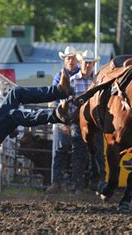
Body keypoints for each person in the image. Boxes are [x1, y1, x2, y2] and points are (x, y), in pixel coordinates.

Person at [58, 50, 105, 195]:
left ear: (93, 64)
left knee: (98, 153)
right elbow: (65, 103)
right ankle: (78, 185)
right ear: (81, 63)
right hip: (77, 121)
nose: (88, 65)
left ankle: (99, 184)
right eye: (86, 62)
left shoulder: (98, 81)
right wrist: (65, 121)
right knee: (79, 152)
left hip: (95, 123)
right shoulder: (72, 81)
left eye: (90, 62)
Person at [47, 46, 80, 194]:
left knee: (77, 150)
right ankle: (58, 182)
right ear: (65, 60)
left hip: (78, 118)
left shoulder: (81, 75)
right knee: (62, 148)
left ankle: (73, 183)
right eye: (68, 58)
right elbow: (54, 97)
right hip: (64, 118)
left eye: (73, 58)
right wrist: (61, 121)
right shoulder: (59, 76)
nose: (71, 60)